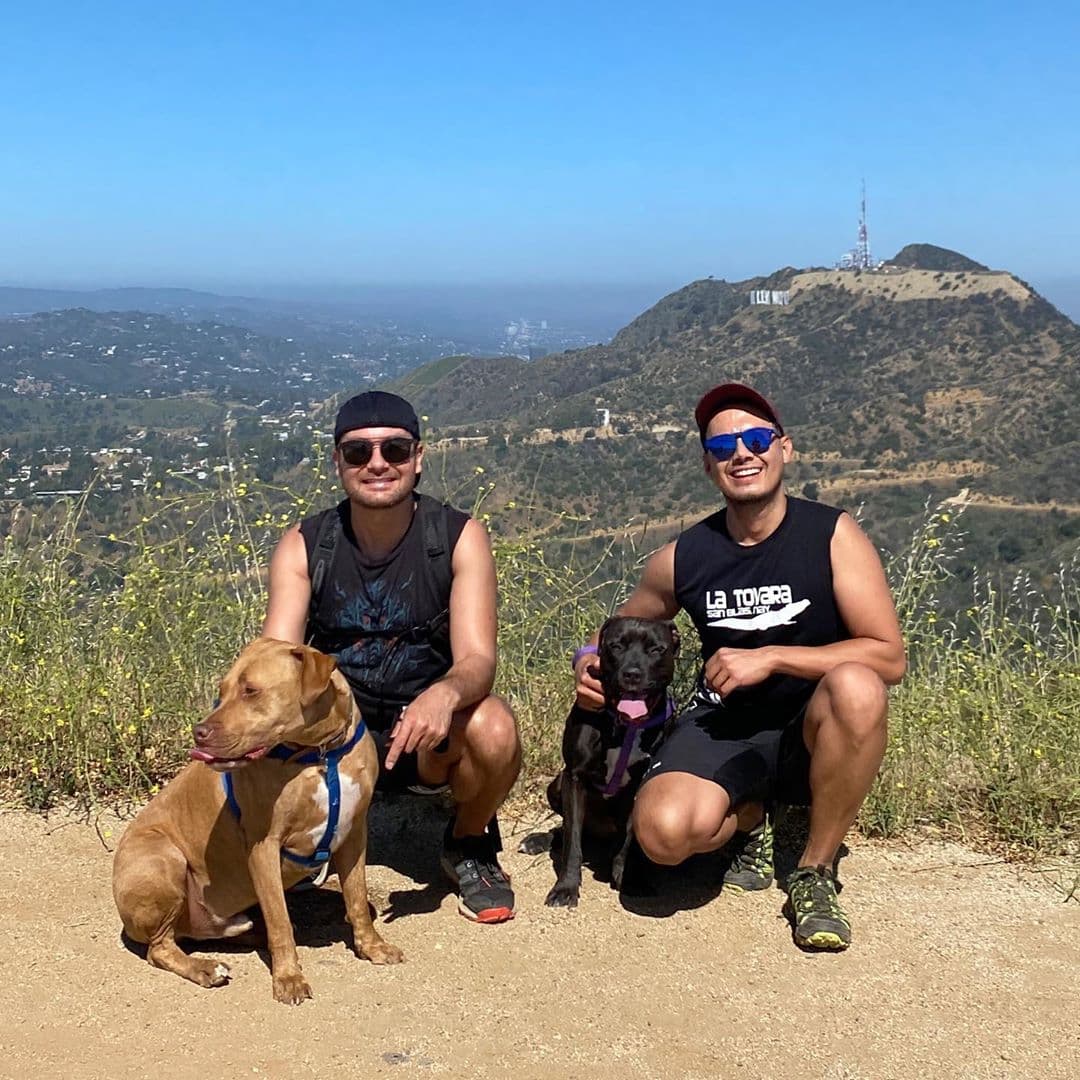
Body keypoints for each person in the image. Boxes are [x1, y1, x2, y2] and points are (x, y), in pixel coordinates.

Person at [573, 382, 905, 949]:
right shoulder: (685, 556)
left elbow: (887, 655)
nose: (741, 454)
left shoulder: (832, 535)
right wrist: (586, 664)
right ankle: (749, 816)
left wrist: (772, 657)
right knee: (663, 834)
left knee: (859, 686)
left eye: (755, 439)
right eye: (723, 446)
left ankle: (815, 871)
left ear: (784, 449)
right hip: (723, 726)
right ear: (709, 465)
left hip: (811, 727)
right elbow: (617, 629)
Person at [262, 390, 521, 924]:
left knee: (494, 728)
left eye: (394, 450)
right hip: (332, 737)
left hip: (425, 739)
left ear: (418, 458)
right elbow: (276, 659)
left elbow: (477, 660)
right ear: (337, 464)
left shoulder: (457, 538)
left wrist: (442, 695)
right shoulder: (306, 545)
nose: (377, 464)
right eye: (358, 453)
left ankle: (467, 841)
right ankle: (297, 841)